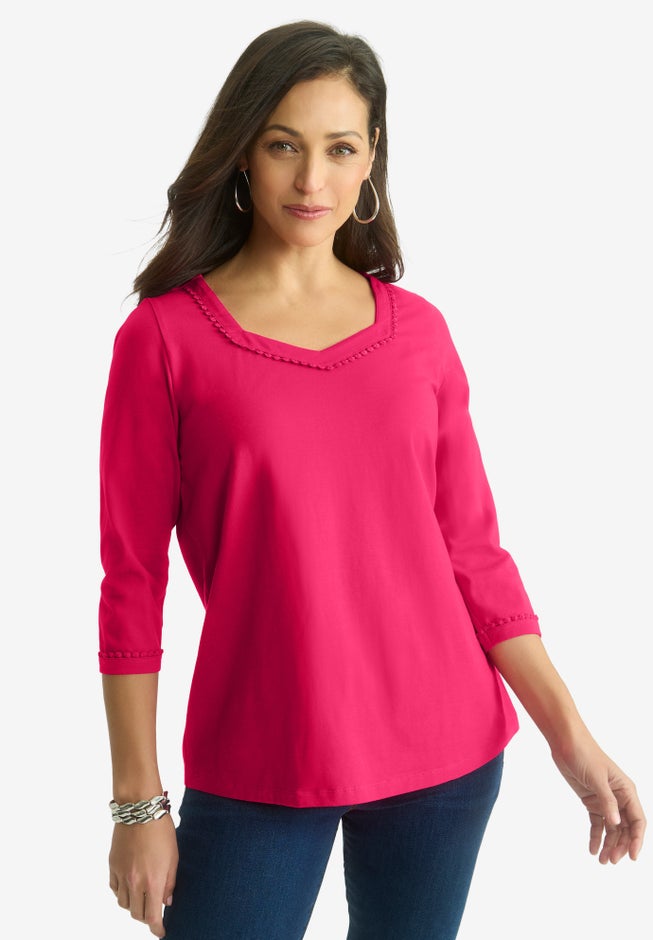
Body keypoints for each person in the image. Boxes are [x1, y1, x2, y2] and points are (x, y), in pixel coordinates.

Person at [98, 20, 646, 940]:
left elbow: (474, 557)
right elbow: (131, 582)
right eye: (284, 146)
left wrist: (570, 737)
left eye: (340, 148)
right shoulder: (163, 340)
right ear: (242, 153)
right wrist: (137, 804)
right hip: (263, 756)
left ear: (371, 159)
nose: (311, 180)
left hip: (445, 754)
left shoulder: (418, 333)